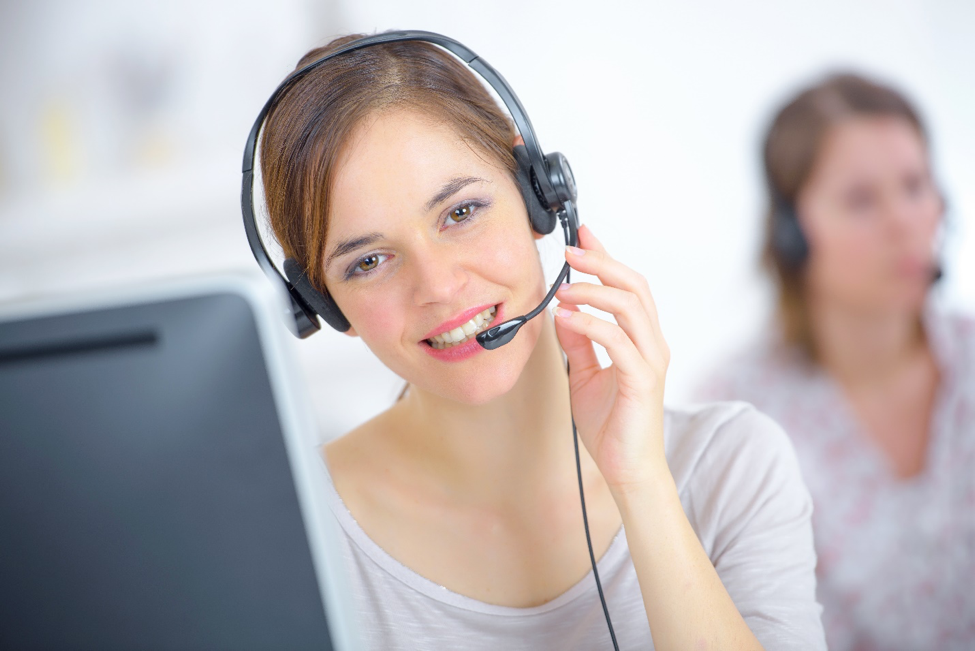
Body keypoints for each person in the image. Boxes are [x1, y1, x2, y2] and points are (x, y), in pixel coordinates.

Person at [255, 33, 825, 650]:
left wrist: (641, 485)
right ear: (320, 303)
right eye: (368, 261)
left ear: (539, 196)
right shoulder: (291, 532)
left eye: (460, 213)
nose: (439, 288)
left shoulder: (731, 468)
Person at [699, 73, 975, 650]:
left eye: (915, 185)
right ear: (793, 234)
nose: (904, 221)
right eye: (860, 199)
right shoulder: (734, 413)